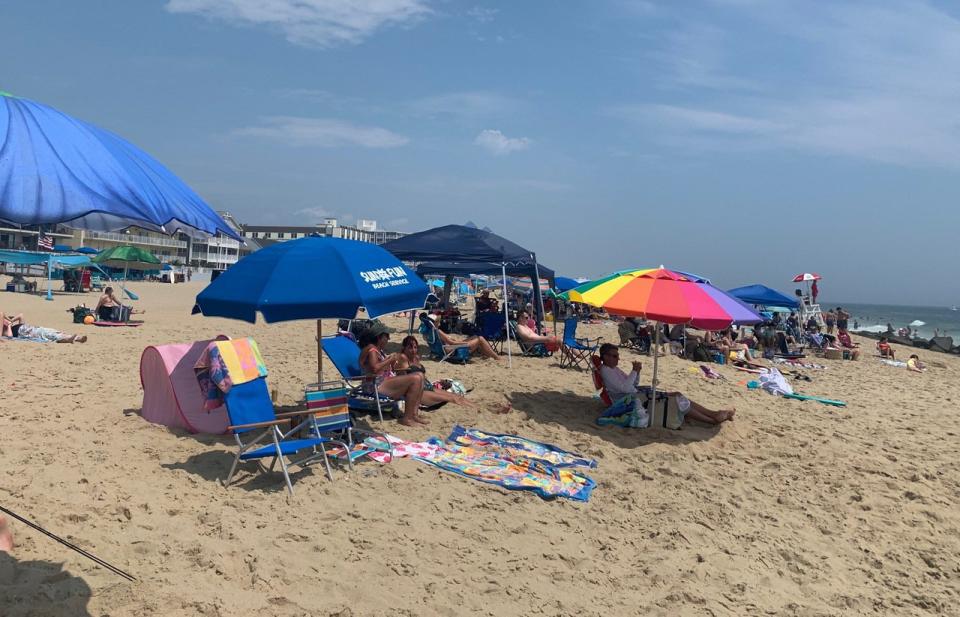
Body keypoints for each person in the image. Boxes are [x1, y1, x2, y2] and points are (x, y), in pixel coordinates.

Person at [597, 343, 734, 425]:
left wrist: (637, 372)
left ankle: (713, 413)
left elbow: (633, 383)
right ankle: (712, 419)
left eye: (617, 355)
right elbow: (626, 388)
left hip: (634, 395)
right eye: (615, 356)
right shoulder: (606, 371)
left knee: (677, 395)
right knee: (675, 399)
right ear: (605, 357)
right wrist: (633, 371)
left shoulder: (613, 369)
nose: (618, 358)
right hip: (628, 401)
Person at [358, 324, 427, 427]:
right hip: (373, 385)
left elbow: (379, 367)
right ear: (379, 337)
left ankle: (414, 414)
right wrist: (389, 360)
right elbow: (375, 368)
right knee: (416, 378)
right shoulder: (371, 349)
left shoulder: (377, 350)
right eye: (387, 337)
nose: (388, 340)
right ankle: (407, 418)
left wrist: (389, 361)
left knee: (420, 375)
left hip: (381, 382)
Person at [424, 314, 501, 360]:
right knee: (480, 339)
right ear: (434, 323)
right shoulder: (438, 331)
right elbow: (452, 342)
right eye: (438, 321)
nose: (439, 322)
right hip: (452, 351)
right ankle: (497, 358)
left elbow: (448, 340)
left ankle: (489, 355)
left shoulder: (428, 332)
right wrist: (465, 343)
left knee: (475, 336)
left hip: (445, 349)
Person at [1, 312, 87, 343]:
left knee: (52, 331)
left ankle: (77, 338)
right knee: (49, 335)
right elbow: (10, 337)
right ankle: (68, 339)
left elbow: (21, 315)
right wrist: (8, 326)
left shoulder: (14, 325)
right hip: (28, 333)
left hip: (34, 328)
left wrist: (10, 320)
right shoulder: (7, 330)